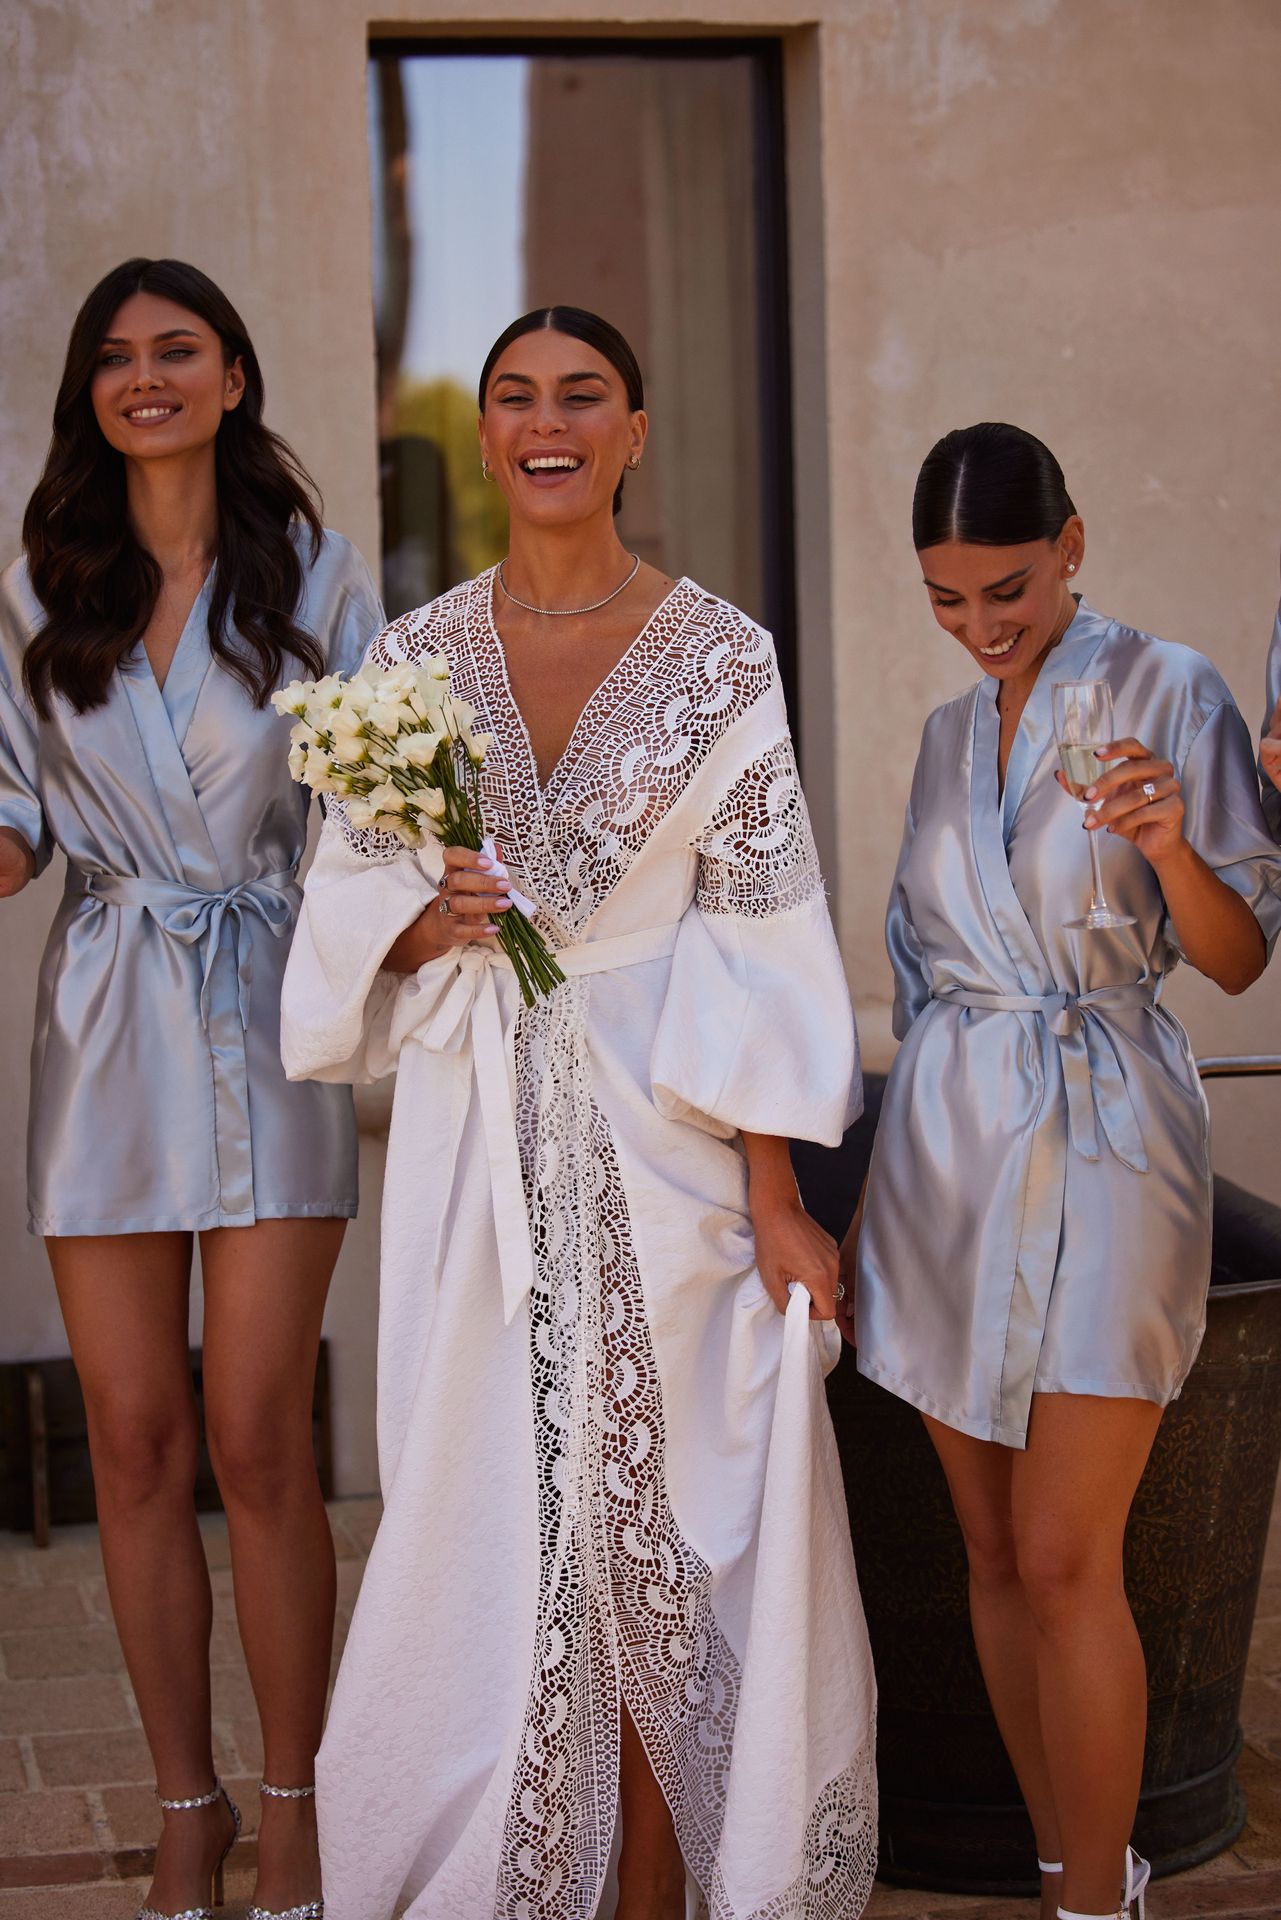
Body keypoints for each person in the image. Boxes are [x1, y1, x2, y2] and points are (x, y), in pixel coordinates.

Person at [279, 306, 878, 1920]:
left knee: (669, 1524)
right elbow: (345, 917)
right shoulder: (406, 665)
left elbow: (760, 932)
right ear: (483, 438)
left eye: (582, 396)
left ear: (633, 432)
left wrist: (775, 1199)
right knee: (494, 1518)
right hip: (472, 1153)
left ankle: (663, 1892)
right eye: (515, 399)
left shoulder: (722, 657)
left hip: (666, 1140)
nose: (547, 423)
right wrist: (429, 924)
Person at [845, 422, 1281, 1920]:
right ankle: (1068, 1872)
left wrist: (1172, 846)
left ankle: (1097, 1902)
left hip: (1107, 1143)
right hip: (948, 1159)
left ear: (1072, 547)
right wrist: (886, 1187)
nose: (979, 627)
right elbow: (918, 974)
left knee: (1062, 1553)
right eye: (945, 600)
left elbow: (1238, 957)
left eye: (1009, 591)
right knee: (989, 1552)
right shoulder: (941, 737)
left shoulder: (1172, 690)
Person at [0, 257, 384, 1920]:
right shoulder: (36, 592)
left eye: (177, 350)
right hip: (106, 1028)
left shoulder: (318, 575)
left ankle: (295, 1801)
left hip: (271, 1015)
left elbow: (379, 804)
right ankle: (185, 1808)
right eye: (114, 356)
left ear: (232, 378)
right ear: (88, 392)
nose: (143, 377)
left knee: (257, 1437)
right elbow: (12, 821)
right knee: (136, 1442)